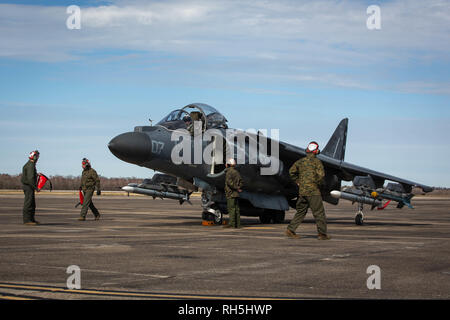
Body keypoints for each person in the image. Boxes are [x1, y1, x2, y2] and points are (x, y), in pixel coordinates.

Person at [286, 141, 331, 240]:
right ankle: (322, 234)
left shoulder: (300, 162)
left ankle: (290, 230)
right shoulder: (317, 162)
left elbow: (291, 171)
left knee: (300, 212)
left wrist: (297, 181)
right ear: (316, 151)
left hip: (302, 192)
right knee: (319, 213)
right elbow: (321, 176)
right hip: (313, 192)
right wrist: (318, 185)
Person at [21, 150, 40, 225]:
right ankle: (27, 220)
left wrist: (37, 174)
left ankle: (31, 219)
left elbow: (31, 175)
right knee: (28, 203)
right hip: (29, 186)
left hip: (29, 186)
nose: (37, 158)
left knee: (32, 204)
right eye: (37, 156)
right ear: (33, 157)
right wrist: (36, 187)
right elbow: (30, 178)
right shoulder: (31, 165)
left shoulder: (30, 164)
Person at [223, 158, 243, 228]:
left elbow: (229, 183)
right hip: (236, 194)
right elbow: (241, 182)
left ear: (228, 164)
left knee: (231, 209)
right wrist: (239, 188)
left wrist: (236, 188)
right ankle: (238, 224)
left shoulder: (229, 172)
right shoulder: (236, 172)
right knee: (236, 209)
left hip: (230, 193)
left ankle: (232, 224)